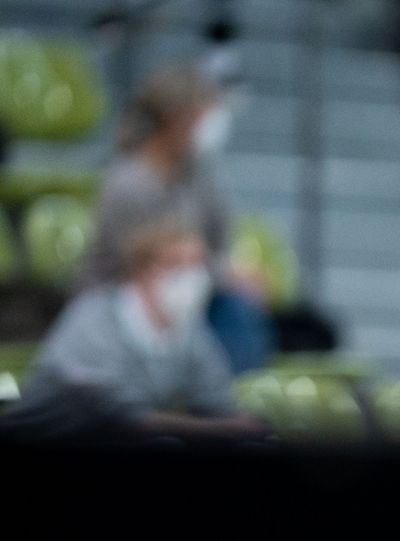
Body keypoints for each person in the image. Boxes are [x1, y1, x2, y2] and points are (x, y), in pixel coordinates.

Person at [83, 65, 273, 373]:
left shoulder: (201, 173)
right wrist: (222, 276)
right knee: (221, 317)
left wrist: (229, 274)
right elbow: (140, 267)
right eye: (206, 111)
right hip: (126, 300)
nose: (214, 120)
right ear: (176, 118)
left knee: (240, 310)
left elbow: (219, 239)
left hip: (192, 291)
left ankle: (232, 403)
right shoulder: (128, 183)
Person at [7, 222, 257, 440]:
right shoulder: (94, 319)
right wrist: (224, 429)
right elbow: (129, 420)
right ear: (143, 271)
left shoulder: (191, 332)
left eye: (197, 264)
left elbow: (216, 400)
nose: (192, 276)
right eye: (177, 263)